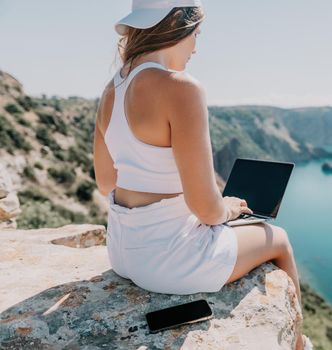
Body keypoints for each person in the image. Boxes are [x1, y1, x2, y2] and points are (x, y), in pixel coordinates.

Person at [92, 1, 313, 349]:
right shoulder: (181, 87)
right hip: (170, 262)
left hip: (121, 252)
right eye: (197, 35)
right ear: (178, 26)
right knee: (278, 238)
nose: (197, 47)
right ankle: (298, 342)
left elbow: (107, 183)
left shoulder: (111, 90)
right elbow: (205, 209)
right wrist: (228, 209)